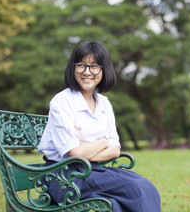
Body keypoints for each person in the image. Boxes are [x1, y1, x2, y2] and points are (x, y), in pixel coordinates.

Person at [38, 41, 161, 212]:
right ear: (73, 68)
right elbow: (76, 153)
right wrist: (104, 142)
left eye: (94, 66)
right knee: (137, 190)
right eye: (81, 65)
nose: (87, 72)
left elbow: (115, 150)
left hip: (92, 172)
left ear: (104, 70)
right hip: (63, 178)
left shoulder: (104, 103)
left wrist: (88, 148)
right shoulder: (62, 102)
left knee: (144, 188)